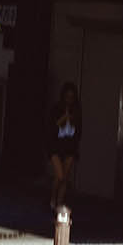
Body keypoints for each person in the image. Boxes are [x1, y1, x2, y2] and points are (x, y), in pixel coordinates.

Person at [48, 82, 81, 210]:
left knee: (65, 178)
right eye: (67, 96)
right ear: (63, 96)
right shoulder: (56, 108)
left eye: (71, 97)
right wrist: (64, 117)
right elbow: (51, 126)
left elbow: (78, 130)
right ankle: (53, 198)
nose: (69, 100)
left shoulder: (77, 111)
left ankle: (59, 203)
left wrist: (71, 119)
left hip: (69, 147)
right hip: (55, 146)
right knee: (60, 175)